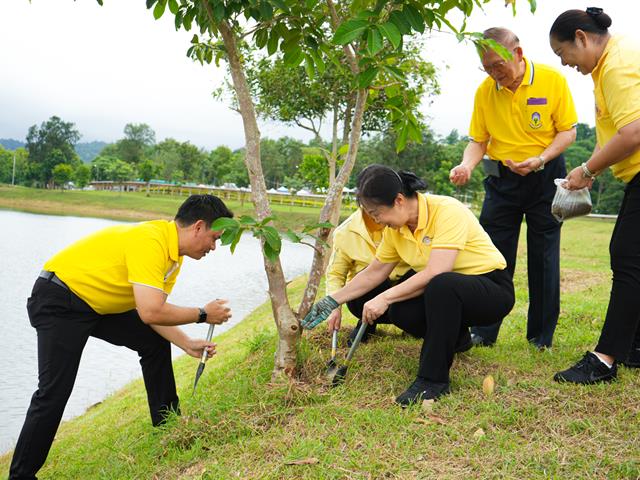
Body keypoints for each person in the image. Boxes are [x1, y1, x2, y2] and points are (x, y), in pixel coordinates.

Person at [10, 194, 234, 479]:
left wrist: (186, 342)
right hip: (60, 299)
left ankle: (168, 427)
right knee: (54, 392)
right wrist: (203, 314)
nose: (214, 247)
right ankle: (21, 476)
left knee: (152, 342)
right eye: (214, 238)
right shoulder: (150, 240)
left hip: (96, 305)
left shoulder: (174, 257)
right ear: (198, 227)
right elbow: (152, 311)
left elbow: (151, 312)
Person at [303, 165, 514, 406]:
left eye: (376, 213)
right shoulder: (396, 230)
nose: (376, 221)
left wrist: (385, 298)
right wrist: (333, 300)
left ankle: (433, 381)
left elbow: (438, 270)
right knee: (402, 310)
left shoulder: (447, 210)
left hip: (490, 289)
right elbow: (375, 271)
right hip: (447, 292)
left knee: (439, 284)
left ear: (399, 200)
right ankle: (457, 339)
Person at [450, 27, 578, 349]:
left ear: (517, 54)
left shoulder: (552, 80)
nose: (494, 74)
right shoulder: (485, 91)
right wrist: (467, 165)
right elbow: (478, 140)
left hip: (545, 178)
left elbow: (567, 132)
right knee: (491, 257)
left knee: (544, 257)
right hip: (501, 182)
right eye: (487, 68)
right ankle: (483, 330)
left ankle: (540, 336)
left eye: (498, 65)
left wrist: (540, 159)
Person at [549, 7, 640, 383]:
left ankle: (604, 359)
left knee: (627, 257)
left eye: (563, 53)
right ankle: (634, 346)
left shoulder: (617, 64)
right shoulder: (609, 64)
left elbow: (633, 132)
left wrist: (587, 169)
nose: (566, 63)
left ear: (582, 38)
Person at [325, 207, 411, 345]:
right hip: (363, 298)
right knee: (372, 274)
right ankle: (366, 324)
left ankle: (411, 325)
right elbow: (335, 274)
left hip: (403, 294)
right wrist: (334, 307)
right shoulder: (345, 231)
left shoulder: (403, 223)